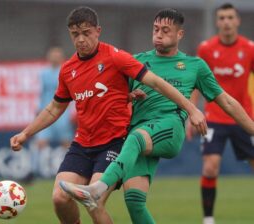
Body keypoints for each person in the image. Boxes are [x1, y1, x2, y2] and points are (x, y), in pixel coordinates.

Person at [10, 6, 207, 224]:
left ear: (98, 31)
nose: (81, 39)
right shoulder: (68, 70)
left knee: (94, 203)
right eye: (75, 34)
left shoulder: (116, 57)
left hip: (114, 143)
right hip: (82, 144)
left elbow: (157, 83)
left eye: (86, 33)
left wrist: (191, 109)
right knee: (59, 198)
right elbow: (54, 108)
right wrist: (26, 133)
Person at [59, 8, 254, 224]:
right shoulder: (137, 61)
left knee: (135, 139)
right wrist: (128, 96)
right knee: (134, 201)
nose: (158, 34)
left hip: (169, 127)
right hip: (139, 133)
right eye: (155, 29)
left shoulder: (195, 66)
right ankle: (98, 191)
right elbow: (111, 94)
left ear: (180, 35)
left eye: (165, 30)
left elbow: (226, 101)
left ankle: (97, 190)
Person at [185, 3, 254, 224]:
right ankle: (208, 219)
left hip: (244, 117)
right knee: (210, 166)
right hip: (214, 118)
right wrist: (192, 112)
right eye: (222, 18)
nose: (226, 22)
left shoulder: (249, 48)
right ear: (217, 22)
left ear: (237, 21)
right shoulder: (206, 49)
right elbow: (196, 82)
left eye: (230, 17)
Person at [27, 47, 74, 183]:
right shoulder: (43, 74)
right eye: (52, 55)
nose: (54, 57)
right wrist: (38, 109)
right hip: (46, 112)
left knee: (67, 143)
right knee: (40, 143)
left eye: (57, 55)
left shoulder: (66, 72)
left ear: (61, 58)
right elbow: (40, 93)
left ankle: (70, 171)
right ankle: (32, 171)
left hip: (62, 114)